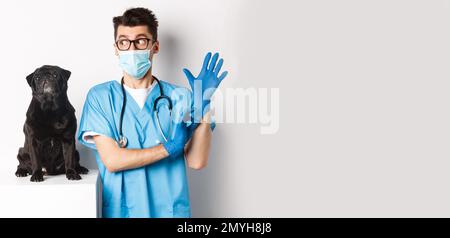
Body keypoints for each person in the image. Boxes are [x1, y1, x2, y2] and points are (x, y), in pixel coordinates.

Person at [77, 7, 228, 218]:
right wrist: (168, 149)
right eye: (124, 42)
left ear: (154, 46)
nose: (131, 48)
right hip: (123, 212)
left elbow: (197, 161)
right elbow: (113, 161)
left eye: (140, 41)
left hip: (170, 211)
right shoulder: (101, 97)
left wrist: (202, 106)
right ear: (116, 48)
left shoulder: (180, 96)